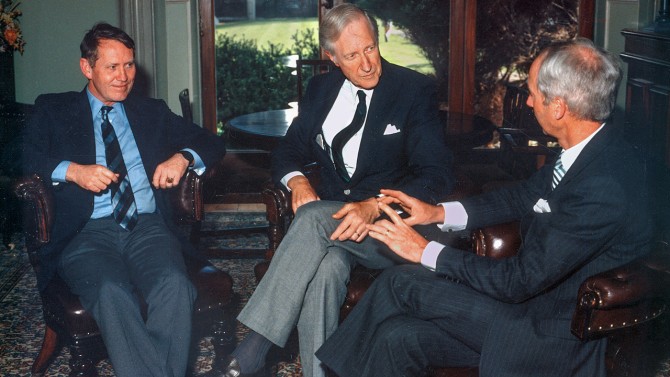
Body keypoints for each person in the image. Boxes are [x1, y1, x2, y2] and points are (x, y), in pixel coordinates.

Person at [315, 38, 653, 377]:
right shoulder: (589, 150)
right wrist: (438, 213)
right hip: (529, 308)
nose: (530, 100)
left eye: (533, 92)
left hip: (549, 332)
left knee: (402, 282)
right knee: (397, 337)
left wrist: (424, 250)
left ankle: (328, 372)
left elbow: (520, 280)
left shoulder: (603, 185)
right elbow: (519, 197)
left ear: (559, 107)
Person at [222, 4, 453, 377]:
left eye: (370, 49)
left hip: (388, 232)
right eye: (351, 55)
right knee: (326, 270)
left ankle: (255, 347)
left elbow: (436, 175)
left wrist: (374, 206)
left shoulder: (413, 90)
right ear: (331, 58)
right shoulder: (320, 89)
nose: (366, 64)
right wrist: (297, 180)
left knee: (313, 218)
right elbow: (288, 149)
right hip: (335, 235)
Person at [22, 23, 225, 377]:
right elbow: (14, 153)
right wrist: (72, 171)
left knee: (175, 287)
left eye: (129, 65)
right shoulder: (54, 110)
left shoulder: (150, 111)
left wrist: (183, 157)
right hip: (85, 232)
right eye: (112, 67)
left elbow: (211, 141)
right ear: (87, 68)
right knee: (111, 291)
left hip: (146, 226)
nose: (123, 77)